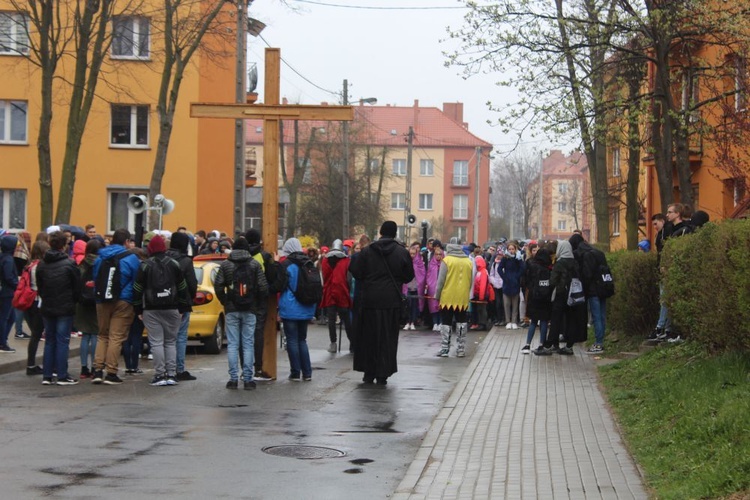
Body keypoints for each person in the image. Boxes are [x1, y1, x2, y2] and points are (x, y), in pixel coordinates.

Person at [349, 222, 414, 384]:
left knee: (368, 337)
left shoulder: (367, 251)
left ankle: (368, 372)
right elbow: (409, 276)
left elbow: (355, 271)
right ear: (394, 233)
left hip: (370, 299)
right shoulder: (401, 252)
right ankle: (383, 373)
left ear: (380, 232)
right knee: (387, 338)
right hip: (391, 301)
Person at [133, 235, 191, 386]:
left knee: (156, 342)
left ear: (150, 248)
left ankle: (160, 375)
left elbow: (138, 289)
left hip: (151, 309)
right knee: (171, 341)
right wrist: (182, 307)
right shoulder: (173, 264)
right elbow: (182, 287)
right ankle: (171, 374)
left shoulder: (145, 265)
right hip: (172, 308)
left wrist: (138, 309)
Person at [214, 237, 268, 390]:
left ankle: (232, 379)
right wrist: (255, 302)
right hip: (250, 309)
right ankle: (248, 379)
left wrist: (225, 301)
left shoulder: (226, 265)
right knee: (248, 343)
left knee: (232, 344)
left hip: (232, 309)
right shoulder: (254, 264)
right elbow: (263, 287)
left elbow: (218, 285)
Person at [92, 228, 141, 385]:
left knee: (102, 335)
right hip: (123, 301)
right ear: (126, 241)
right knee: (116, 336)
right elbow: (136, 280)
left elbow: (96, 277)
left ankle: (97, 370)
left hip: (102, 300)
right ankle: (111, 372)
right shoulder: (131, 258)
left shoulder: (100, 257)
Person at [36, 231, 82, 385]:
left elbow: (40, 287)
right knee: (62, 341)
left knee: (50, 341)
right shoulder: (70, 264)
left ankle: (47, 375)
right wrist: (72, 301)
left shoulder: (42, 264)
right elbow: (77, 287)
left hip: (48, 306)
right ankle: (62, 375)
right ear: (64, 245)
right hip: (65, 307)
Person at [278, 238, 317, 382]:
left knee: (292, 340)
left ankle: (295, 372)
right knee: (302, 340)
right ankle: (307, 373)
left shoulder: (286, 265)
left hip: (290, 307)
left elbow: (280, 285)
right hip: (306, 306)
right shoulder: (308, 263)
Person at [539, 240, 588, 355]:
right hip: (574, 295)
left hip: (561, 294)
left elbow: (553, 281)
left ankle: (548, 345)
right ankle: (569, 346)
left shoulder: (560, 263)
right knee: (571, 320)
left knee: (556, 320)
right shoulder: (575, 262)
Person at [569, 233, 613, 354]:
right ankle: (601, 341)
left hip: (593, 290)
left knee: (596, 316)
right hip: (603, 288)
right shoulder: (598, 252)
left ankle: (598, 343)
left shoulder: (586, 255)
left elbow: (587, 274)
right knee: (602, 316)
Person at [166, 232, 198, 381]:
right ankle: (179, 369)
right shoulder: (185, 261)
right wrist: (188, 299)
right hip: (181, 304)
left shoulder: (163, 258)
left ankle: (164, 369)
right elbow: (192, 284)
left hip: (161, 303)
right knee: (180, 337)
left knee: (163, 338)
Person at [244, 228, 275, 381]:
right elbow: (270, 278)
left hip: (241, 300)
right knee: (257, 334)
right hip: (259, 301)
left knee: (242, 336)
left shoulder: (239, 255)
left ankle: (245, 369)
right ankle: (257, 368)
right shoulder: (263, 256)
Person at [435, 243, 474, 357]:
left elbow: (441, 281)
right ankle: (460, 349)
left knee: (446, 322)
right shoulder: (468, 262)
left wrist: (437, 295)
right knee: (461, 321)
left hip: (448, 296)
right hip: (462, 297)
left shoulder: (447, 261)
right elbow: (470, 280)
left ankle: (445, 348)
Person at [320, 239, 352, 353]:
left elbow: (324, 276)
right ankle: (352, 343)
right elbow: (348, 279)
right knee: (346, 319)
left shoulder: (325, 260)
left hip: (329, 292)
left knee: (332, 320)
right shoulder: (346, 261)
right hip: (342, 292)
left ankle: (333, 343)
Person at [76, 239, 101, 379]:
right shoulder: (101, 263)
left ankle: (84, 368)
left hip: (82, 303)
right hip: (96, 302)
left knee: (85, 336)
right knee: (95, 334)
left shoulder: (82, 264)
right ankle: (94, 367)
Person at [24, 241, 50, 375]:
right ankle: (32, 365)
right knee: (38, 334)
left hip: (29, 301)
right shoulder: (40, 266)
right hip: (38, 301)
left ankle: (31, 363)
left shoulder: (29, 264)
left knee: (35, 334)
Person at [522, 248, 553, 354]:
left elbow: (525, 280)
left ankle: (527, 344)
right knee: (544, 321)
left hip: (533, 297)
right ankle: (541, 344)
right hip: (545, 298)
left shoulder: (532, 266)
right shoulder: (549, 268)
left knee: (533, 321)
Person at [0, 234, 19, 353]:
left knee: (11, 317)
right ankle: (2, 342)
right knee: (5, 317)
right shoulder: (8, 259)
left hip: (5, 291)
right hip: (7, 292)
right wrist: (17, 284)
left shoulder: (3, 257)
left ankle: (3, 340)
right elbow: (8, 276)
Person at [499, 241, 525, 329]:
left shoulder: (518, 258)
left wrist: (517, 276)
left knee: (515, 304)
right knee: (506, 304)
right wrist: (504, 277)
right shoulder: (505, 258)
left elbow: (522, 268)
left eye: (512, 249)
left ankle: (514, 321)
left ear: (515, 249)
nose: (511, 251)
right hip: (506, 283)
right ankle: (508, 321)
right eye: (509, 249)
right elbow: (499, 268)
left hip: (515, 283)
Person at [403, 241, 426, 331]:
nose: (412, 255)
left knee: (414, 306)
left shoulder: (419, 262)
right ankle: (407, 322)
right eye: (410, 254)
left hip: (416, 286)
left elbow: (422, 273)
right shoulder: (405, 262)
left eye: (414, 254)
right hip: (407, 286)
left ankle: (412, 322)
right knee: (407, 305)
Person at [470, 255, 494, 330]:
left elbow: (483, 285)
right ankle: (479, 323)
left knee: (482, 310)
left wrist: (481, 296)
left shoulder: (483, 272)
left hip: (482, 295)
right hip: (478, 294)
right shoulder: (479, 271)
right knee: (479, 309)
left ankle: (482, 324)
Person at [424, 245, 444, 331]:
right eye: (436, 254)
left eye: (440, 254)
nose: (438, 256)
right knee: (433, 306)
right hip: (432, 288)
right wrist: (428, 284)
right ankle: (435, 323)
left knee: (442, 306)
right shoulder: (431, 264)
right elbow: (428, 275)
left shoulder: (445, 264)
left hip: (442, 288)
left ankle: (441, 323)